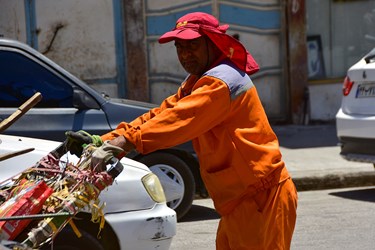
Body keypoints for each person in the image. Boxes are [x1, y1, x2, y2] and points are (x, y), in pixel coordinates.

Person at [66, 12, 298, 249]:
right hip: (240, 200)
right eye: (179, 47)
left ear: (212, 42)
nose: (185, 54)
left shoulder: (220, 82)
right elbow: (161, 114)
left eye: (193, 46)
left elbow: (179, 119)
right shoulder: (198, 80)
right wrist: (107, 140)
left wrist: (125, 143)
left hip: (261, 196)